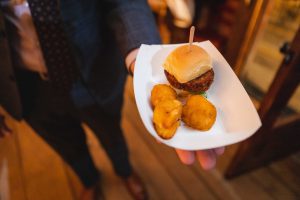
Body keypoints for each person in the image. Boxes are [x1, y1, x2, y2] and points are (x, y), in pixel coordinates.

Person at [0, 0, 224, 199]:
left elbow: (125, 3)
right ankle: (89, 180)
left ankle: (125, 171)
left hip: (94, 74)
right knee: (66, 144)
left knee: (112, 134)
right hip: (24, 87)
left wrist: (142, 59)